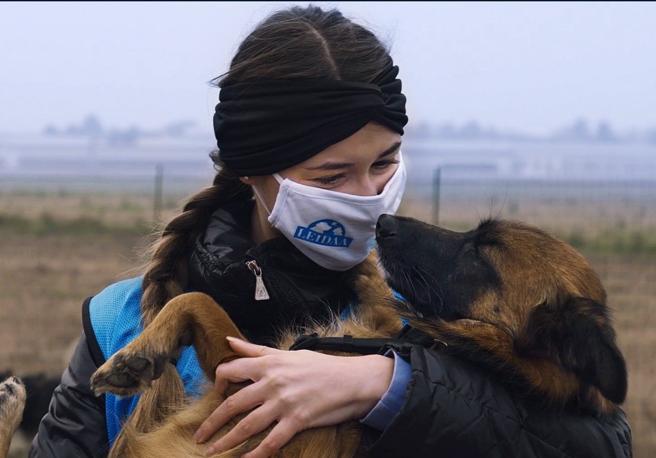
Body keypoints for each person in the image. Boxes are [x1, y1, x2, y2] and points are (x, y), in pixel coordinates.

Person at [30, 5, 631, 458]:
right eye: (333, 174)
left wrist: (385, 384)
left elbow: (601, 439)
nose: (370, 197)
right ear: (252, 173)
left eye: (384, 162)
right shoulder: (119, 324)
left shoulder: (429, 313)